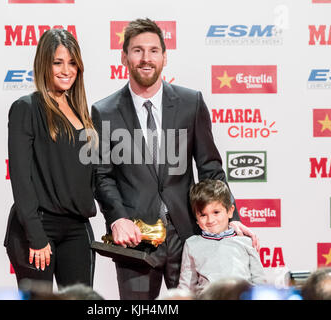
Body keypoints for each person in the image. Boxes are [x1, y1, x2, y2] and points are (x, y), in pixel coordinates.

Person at [91, 18, 257, 300]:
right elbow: (101, 175)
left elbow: (210, 168)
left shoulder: (190, 103)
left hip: (190, 235)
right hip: (136, 240)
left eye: (154, 50)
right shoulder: (104, 111)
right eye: (138, 50)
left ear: (165, 57)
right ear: (124, 56)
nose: (146, 58)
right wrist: (117, 217)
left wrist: (232, 217)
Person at [4, 29, 97, 292]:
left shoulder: (83, 113)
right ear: (44, 64)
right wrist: (35, 235)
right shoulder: (27, 108)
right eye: (58, 62)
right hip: (38, 227)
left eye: (72, 63)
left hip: (77, 229)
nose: (66, 70)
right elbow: (21, 178)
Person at [178, 180, 266, 295]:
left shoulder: (246, 242)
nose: (210, 220)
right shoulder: (192, 244)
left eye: (216, 212)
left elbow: (260, 282)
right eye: (203, 215)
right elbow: (186, 286)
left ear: (230, 212)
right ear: (196, 218)